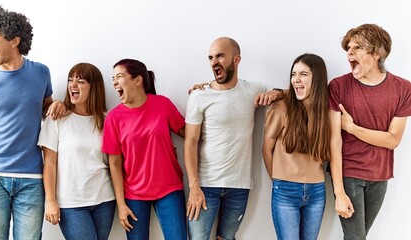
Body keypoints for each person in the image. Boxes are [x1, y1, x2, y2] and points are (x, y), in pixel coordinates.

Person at [0, 6, 64, 240]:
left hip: (32, 178)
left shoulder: (41, 73)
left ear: (15, 40)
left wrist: (57, 106)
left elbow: (44, 105)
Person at [184, 37, 281, 240]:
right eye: (210, 57)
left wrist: (277, 93)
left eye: (220, 55)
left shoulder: (252, 90)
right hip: (205, 186)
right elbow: (190, 142)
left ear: (236, 59)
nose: (214, 62)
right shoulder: (199, 96)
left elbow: (295, 94)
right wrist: (194, 187)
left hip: (239, 185)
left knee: (226, 238)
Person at [329, 23, 411, 239]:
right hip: (350, 173)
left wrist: (351, 127)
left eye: (358, 47)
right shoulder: (338, 86)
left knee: (359, 236)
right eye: (348, 48)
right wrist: (338, 192)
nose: (350, 52)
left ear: (376, 53)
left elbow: (393, 140)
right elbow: (334, 143)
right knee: (356, 237)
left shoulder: (403, 88)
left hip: (380, 176)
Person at [102, 59, 187, 240]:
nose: (114, 82)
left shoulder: (163, 104)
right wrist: (121, 204)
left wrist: (201, 98)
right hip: (134, 194)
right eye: (113, 79)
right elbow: (114, 165)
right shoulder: (114, 118)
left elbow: (190, 134)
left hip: (169, 190)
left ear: (138, 80)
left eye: (119, 77)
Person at [38, 63, 116, 239]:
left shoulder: (107, 119)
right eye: (70, 80)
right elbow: (49, 163)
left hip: (104, 199)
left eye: (80, 81)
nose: (73, 85)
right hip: (71, 202)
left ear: (93, 87)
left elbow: (114, 161)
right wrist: (50, 201)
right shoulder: (57, 118)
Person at [262, 53, 330, 240]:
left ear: (317, 78)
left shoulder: (326, 112)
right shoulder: (281, 109)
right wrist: (277, 182)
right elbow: (266, 151)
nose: (296, 80)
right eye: (293, 74)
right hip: (285, 191)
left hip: (317, 191)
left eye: (303, 74)